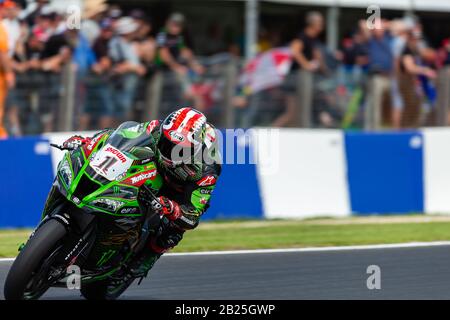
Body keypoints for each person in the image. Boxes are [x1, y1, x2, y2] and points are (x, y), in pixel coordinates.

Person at [61, 107, 221, 282]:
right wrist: (88, 142)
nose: (168, 152)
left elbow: (192, 215)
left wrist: (172, 208)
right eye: (166, 144)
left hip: (177, 191)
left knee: (173, 228)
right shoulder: (155, 128)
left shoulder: (207, 169)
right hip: (154, 172)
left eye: (178, 150)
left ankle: (147, 258)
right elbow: (116, 137)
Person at [275, 11, 324, 127]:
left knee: (295, 114)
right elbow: (294, 50)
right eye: (320, 23)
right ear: (313, 24)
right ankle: (269, 133)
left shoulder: (312, 39)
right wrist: (306, 65)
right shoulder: (303, 36)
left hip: (301, 81)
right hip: (295, 80)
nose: (322, 26)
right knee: (291, 113)